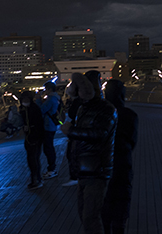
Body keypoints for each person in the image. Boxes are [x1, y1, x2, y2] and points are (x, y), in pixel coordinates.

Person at [61, 71, 117, 234]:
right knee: (84, 215)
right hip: (84, 170)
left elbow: (100, 134)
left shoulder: (106, 108)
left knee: (90, 218)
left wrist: (71, 131)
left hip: (97, 170)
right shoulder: (83, 108)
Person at [102, 79, 139, 234]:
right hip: (123, 163)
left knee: (105, 202)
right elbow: (132, 141)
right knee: (121, 203)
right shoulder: (129, 115)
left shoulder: (101, 113)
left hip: (102, 165)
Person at [19, 91, 45, 189]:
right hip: (31, 136)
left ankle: (36, 180)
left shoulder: (32, 109)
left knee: (33, 159)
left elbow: (38, 123)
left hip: (34, 137)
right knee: (33, 159)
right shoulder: (25, 109)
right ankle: (37, 178)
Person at [36, 81, 61, 179]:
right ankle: (51, 168)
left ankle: (52, 169)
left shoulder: (51, 99)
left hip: (48, 126)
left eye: (45, 89)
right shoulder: (55, 98)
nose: (44, 91)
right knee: (49, 147)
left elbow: (41, 110)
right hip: (51, 125)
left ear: (50, 89)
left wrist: (38, 100)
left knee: (48, 148)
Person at [63, 92, 84, 187]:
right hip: (77, 132)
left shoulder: (78, 103)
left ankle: (75, 176)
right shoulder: (82, 101)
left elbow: (72, 114)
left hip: (76, 132)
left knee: (72, 154)